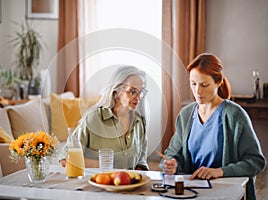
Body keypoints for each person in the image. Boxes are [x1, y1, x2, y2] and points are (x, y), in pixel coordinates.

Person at [160, 53, 266, 200]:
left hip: (226, 194)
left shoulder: (234, 115)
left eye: (204, 85)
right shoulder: (186, 115)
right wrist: (172, 164)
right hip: (192, 193)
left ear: (218, 82)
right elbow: (172, 153)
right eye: (193, 83)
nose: (197, 91)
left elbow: (256, 162)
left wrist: (220, 171)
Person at [59, 65, 149, 170]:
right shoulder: (94, 119)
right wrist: (103, 165)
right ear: (116, 92)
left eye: (141, 92)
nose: (138, 98)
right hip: (98, 183)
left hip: (128, 185)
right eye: (132, 91)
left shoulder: (139, 122)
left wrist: (137, 178)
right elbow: (66, 159)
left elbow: (141, 162)